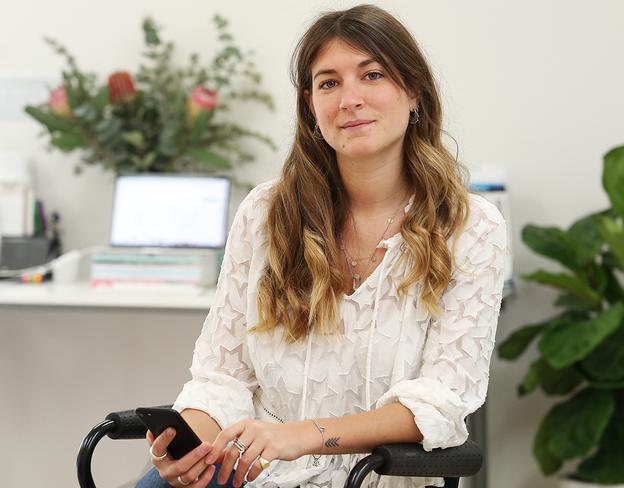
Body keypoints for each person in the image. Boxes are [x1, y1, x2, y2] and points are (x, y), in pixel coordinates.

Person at [137, 4, 507, 488]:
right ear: (310, 106)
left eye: (371, 75)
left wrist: (304, 436)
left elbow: (439, 404)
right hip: (257, 476)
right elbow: (222, 377)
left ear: (414, 92)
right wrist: (192, 445)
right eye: (328, 83)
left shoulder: (470, 226)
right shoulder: (266, 213)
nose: (349, 99)